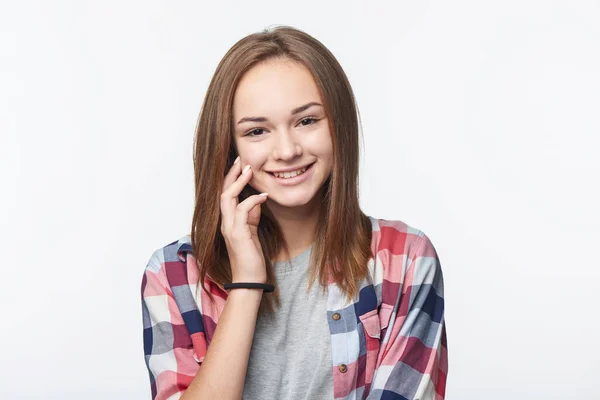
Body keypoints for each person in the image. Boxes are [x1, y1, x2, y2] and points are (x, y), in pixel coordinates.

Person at [141, 25, 448, 400]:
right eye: (257, 131)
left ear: (339, 127)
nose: (286, 150)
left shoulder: (405, 261)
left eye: (307, 121)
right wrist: (246, 282)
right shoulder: (173, 275)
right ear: (229, 147)